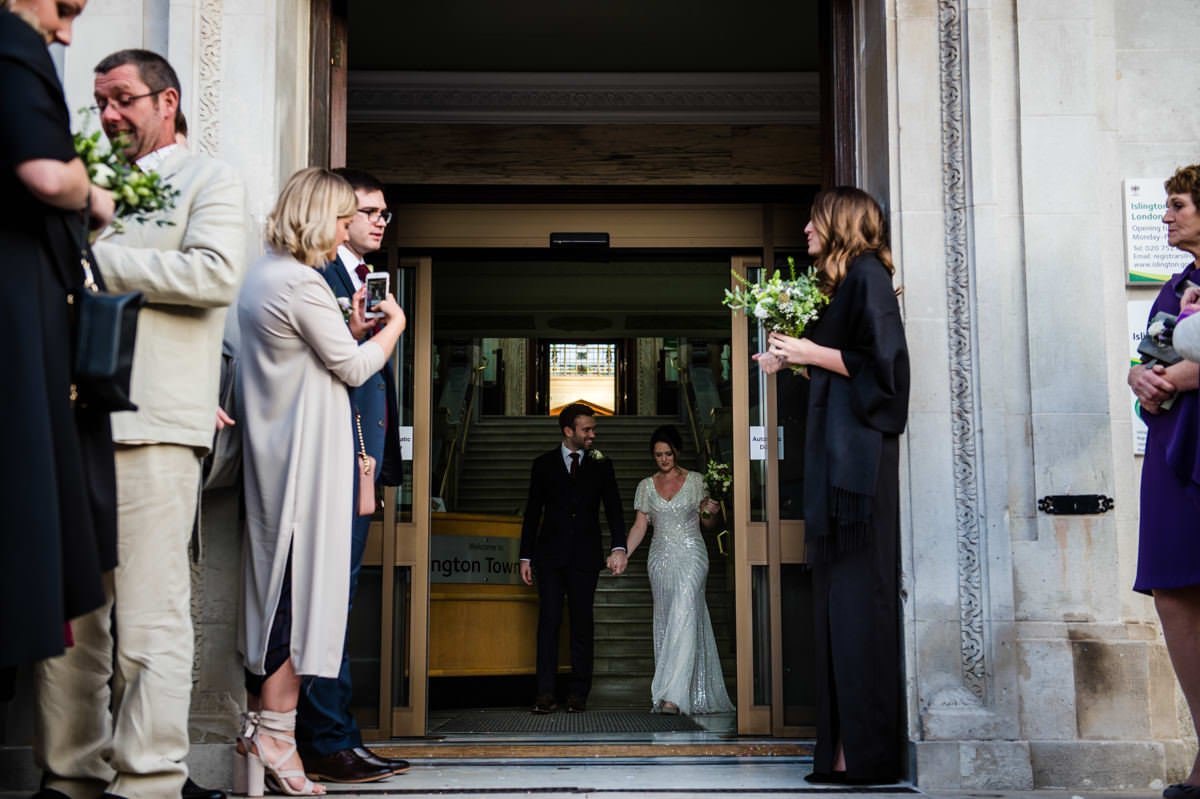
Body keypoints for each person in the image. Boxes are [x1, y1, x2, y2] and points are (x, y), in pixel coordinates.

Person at [32, 47, 247, 799]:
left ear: (167, 101)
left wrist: (98, 256)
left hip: (153, 425)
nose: (110, 113)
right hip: (64, 424)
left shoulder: (210, 178)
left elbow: (216, 273)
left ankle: (150, 780)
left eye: (123, 98)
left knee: (151, 619)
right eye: (101, 102)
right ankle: (71, 777)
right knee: (71, 621)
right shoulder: (83, 180)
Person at [235, 167, 406, 796]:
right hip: (306, 466)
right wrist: (394, 326)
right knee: (301, 600)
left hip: (285, 458)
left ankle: (268, 733)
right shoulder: (301, 281)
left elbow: (314, 357)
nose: (344, 231)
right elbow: (354, 368)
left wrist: (350, 332)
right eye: (341, 218)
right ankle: (280, 737)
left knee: (287, 598)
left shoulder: (265, 275)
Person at [756, 186, 909, 784]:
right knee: (839, 609)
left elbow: (887, 374)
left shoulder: (868, 275)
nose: (805, 230)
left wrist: (811, 353)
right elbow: (847, 363)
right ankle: (844, 752)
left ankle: (863, 755)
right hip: (840, 474)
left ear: (842, 224)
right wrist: (793, 359)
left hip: (859, 480)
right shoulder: (848, 284)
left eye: (815, 221)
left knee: (857, 607)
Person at [0, 0, 115, 691]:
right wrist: (89, 193)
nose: (67, 32)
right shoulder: (10, 39)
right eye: (67, 7)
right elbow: (48, 173)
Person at [295, 167, 408, 783]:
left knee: (336, 598)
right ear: (338, 214)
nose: (379, 221)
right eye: (369, 211)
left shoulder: (361, 278)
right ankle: (326, 740)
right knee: (325, 601)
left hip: (358, 462)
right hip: (329, 460)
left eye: (384, 213)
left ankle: (337, 736)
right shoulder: (316, 275)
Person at [1127, 165, 1200, 799]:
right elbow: (1150, 359)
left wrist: (1177, 377)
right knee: (1173, 592)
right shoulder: (1174, 286)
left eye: (1176, 205)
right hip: (1173, 449)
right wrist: (1140, 378)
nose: (1165, 217)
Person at [618, 424, 734, 716]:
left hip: (693, 554)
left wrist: (711, 512)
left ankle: (673, 697)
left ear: (677, 452)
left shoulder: (697, 481)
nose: (664, 460)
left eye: (668, 454)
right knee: (671, 618)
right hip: (660, 559)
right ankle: (680, 690)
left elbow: (708, 524)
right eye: (658, 455)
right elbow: (640, 526)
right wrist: (622, 553)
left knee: (684, 609)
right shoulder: (646, 486)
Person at [519, 403, 628, 713]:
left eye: (593, 429)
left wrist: (619, 547)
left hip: (585, 557)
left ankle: (579, 693)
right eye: (587, 429)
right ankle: (545, 693)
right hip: (550, 558)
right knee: (549, 622)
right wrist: (525, 556)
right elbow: (533, 512)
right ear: (569, 431)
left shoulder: (602, 464)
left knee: (582, 624)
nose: (592, 434)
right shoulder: (543, 465)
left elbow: (614, 508)